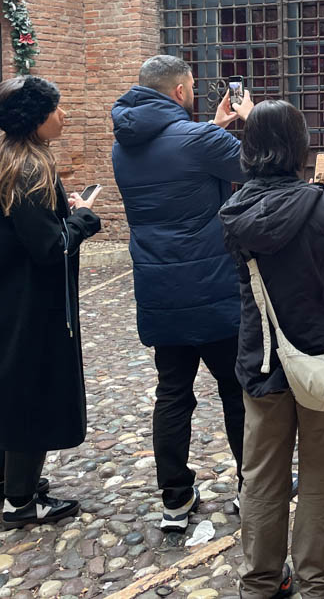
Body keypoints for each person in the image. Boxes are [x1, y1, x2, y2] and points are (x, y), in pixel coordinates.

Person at [220, 100, 324, 599]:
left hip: (262, 357)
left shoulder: (236, 210)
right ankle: (318, 580)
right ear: (300, 147)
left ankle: (261, 581)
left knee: (262, 475)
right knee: (321, 469)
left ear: (249, 150)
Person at [112, 55, 253, 532]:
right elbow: (258, 166)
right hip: (213, 286)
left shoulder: (122, 145)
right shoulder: (199, 140)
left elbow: (181, 172)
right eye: (191, 86)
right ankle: (252, 487)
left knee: (172, 393)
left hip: (158, 284)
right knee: (238, 392)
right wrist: (248, 120)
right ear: (178, 91)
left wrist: (213, 128)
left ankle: (175, 496)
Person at [0, 76, 100, 526]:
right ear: (36, 118)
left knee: (4, 388)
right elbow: (50, 248)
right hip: (28, 306)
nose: (64, 115)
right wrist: (82, 220)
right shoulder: (31, 170)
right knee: (30, 392)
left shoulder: (4, 157)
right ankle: (21, 500)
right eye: (56, 108)